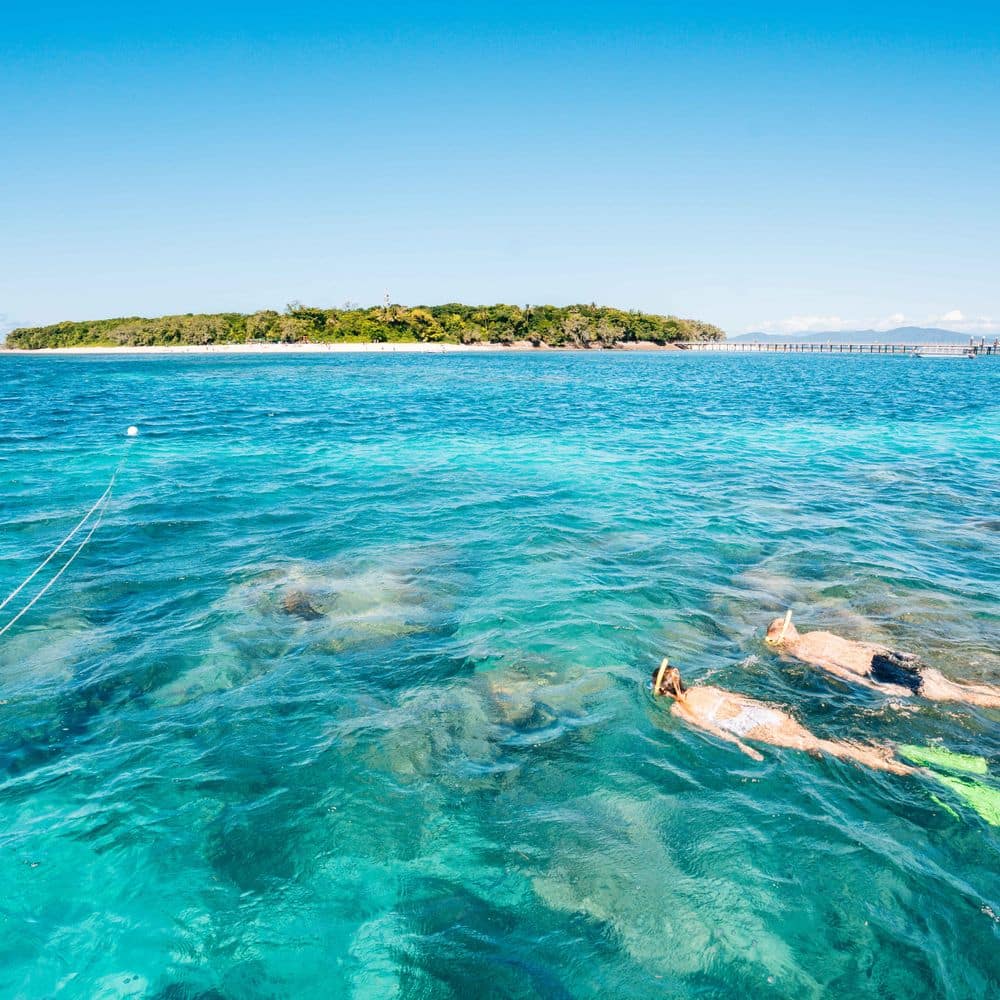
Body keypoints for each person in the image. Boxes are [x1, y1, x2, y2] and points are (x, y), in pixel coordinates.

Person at [650, 659, 912, 773]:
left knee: (819, 745)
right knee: (814, 739)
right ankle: (877, 750)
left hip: (745, 726)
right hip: (760, 713)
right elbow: (741, 700)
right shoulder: (703, 687)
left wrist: (742, 746)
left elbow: (712, 730)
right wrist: (772, 710)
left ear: (662, 690)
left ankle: (890, 766)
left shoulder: (678, 710)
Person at [764, 611, 1000, 707]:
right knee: (951, 684)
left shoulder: (799, 651)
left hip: (876, 669)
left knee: (951, 694)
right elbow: (859, 644)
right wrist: (894, 651)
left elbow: (835, 669)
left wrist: (870, 685)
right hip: (884, 655)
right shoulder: (817, 634)